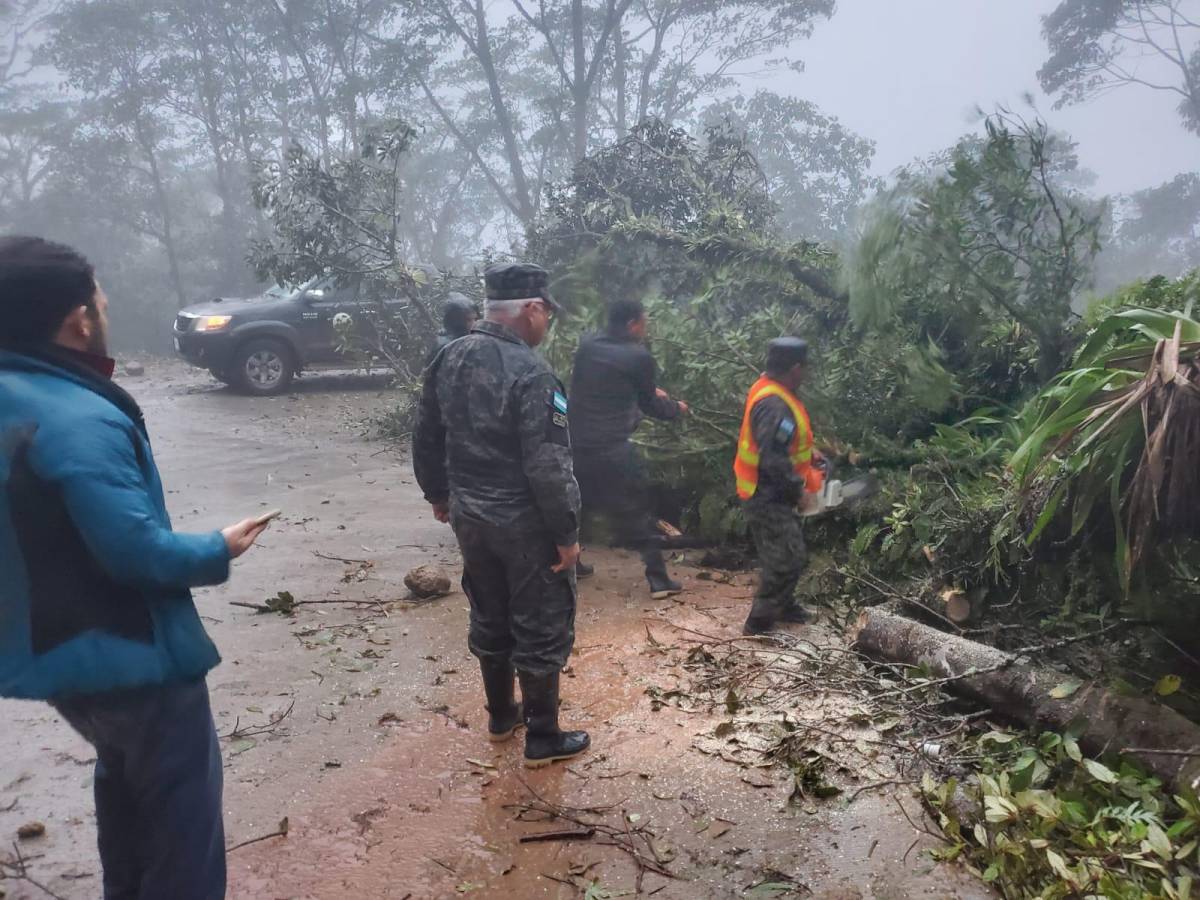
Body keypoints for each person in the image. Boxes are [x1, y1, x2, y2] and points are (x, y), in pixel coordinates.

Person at [0, 236, 270, 899]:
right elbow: (136, 553)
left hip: (62, 658)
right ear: (78, 318)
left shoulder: (13, 396)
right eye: (99, 294)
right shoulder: (79, 419)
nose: (106, 303)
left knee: (123, 787)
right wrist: (219, 547)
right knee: (184, 828)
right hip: (133, 655)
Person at [412, 261, 589, 768]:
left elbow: (425, 434)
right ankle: (544, 736)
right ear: (532, 309)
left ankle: (499, 716)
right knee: (541, 619)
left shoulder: (449, 356)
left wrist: (439, 494)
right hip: (524, 524)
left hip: (470, 517)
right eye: (546, 313)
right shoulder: (533, 373)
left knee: (488, 610)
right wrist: (567, 534)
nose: (547, 323)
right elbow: (549, 465)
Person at [569, 298, 688, 598]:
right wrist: (677, 408)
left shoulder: (588, 346)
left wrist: (645, 391)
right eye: (644, 324)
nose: (645, 330)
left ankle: (570, 563)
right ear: (633, 323)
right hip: (611, 449)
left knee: (574, 507)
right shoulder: (639, 357)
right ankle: (659, 580)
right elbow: (650, 404)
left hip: (576, 443)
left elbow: (603, 386)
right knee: (636, 511)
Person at [733, 337, 826, 636]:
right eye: (806, 368)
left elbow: (779, 440)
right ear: (796, 368)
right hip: (766, 493)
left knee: (787, 550)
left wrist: (810, 454)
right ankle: (759, 623)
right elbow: (772, 457)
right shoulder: (774, 404)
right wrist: (797, 490)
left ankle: (784, 606)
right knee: (787, 557)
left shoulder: (774, 390)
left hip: (770, 489)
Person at [425, 292, 478, 366]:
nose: (474, 324)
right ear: (457, 320)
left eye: (475, 319)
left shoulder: (473, 340)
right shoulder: (445, 345)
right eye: (468, 320)